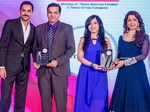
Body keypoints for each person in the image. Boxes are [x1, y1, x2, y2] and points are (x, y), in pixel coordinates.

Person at [33, 3, 75, 112]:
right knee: (45, 104)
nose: (52, 15)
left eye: (55, 12)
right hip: (43, 72)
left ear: (59, 14)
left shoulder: (67, 28)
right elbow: (35, 48)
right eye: (50, 12)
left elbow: (71, 49)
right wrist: (36, 60)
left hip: (60, 72)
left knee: (61, 105)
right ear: (47, 13)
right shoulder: (38, 28)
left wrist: (58, 61)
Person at [109, 11, 150, 112]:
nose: (132, 22)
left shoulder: (144, 37)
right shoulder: (121, 37)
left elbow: (143, 56)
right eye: (129, 20)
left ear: (139, 22)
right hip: (123, 72)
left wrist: (125, 63)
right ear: (126, 23)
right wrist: (115, 62)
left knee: (137, 98)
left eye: (134, 20)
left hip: (137, 72)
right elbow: (119, 56)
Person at [0, 1, 35, 112]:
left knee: (21, 100)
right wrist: (1, 66)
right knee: (5, 99)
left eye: (28, 11)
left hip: (24, 68)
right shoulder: (10, 24)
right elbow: (3, 45)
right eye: (24, 10)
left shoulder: (34, 29)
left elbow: (33, 49)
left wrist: (38, 60)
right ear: (20, 11)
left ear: (32, 13)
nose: (26, 13)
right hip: (8, 68)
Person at [74, 15, 111, 112]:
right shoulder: (83, 39)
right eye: (89, 24)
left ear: (99, 25)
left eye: (95, 23)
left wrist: (107, 66)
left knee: (100, 101)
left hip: (100, 74)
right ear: (87, 26)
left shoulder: (106, 40)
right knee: (83, 101)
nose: (92, 26)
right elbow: (80, 57)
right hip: (85, 73)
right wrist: (92, 65)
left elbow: (108, 59)